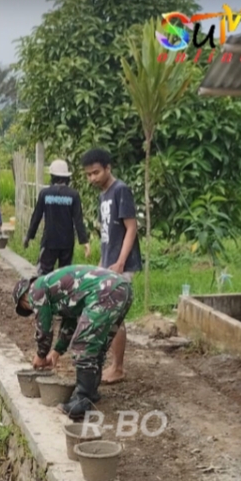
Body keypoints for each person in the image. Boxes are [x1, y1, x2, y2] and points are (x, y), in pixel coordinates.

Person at [12, 265, 134, 420]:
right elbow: (69, 323)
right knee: (97, 345)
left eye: (26, 308)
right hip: (121, 288)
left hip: (105, 291)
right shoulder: (55, 289)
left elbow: (44, 328)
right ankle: (91, 393)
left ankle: (81, 402)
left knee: (83, 344)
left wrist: (41, 355)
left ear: (23, 299)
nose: (31, 309)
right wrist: (56, 352)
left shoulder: (36, 291)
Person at [81, 148, 142, 385]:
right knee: (110, 315)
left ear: (108, 168)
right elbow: (107, 234)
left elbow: (131, 228)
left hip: (121, 264)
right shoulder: (103, 196)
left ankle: (118, 367)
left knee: (114, 315)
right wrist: (102, 262)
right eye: (88, 175)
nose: (92, 178)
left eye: (96, 172)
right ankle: (114, 364)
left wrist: (120, 261)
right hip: (109, 262)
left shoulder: (120, 190)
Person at [23, 159, 90, 274]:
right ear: (67, 177)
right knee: (63, 275)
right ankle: (61, 292)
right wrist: (85, 242)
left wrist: (29, 236)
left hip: (49, 241)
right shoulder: (73, 195)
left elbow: (36, 217)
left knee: (44, 273)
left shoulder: (45, 193)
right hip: (67, 242)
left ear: (52, 176)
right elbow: (78, 220)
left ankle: (45, 291)